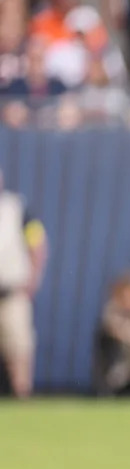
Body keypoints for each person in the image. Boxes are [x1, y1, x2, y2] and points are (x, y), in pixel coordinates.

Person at [0, 168, 46, 398]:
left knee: (19, 347)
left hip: (11, 292)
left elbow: (37, 241)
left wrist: (33, 278)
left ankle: (22, 395)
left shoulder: (16, 208)